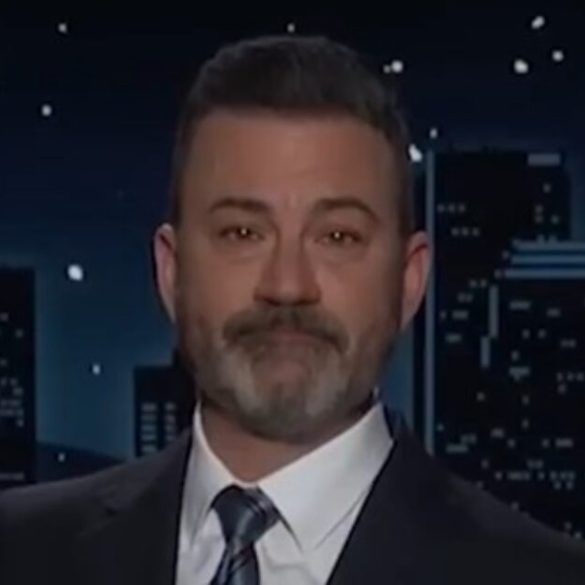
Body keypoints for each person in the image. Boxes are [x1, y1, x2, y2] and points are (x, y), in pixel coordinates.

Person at [1, 34, 584, 585]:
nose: (286, 286)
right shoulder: (20, 551)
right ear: (171, 271)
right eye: (242, 233)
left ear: (409, 281)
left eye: (337, 237)